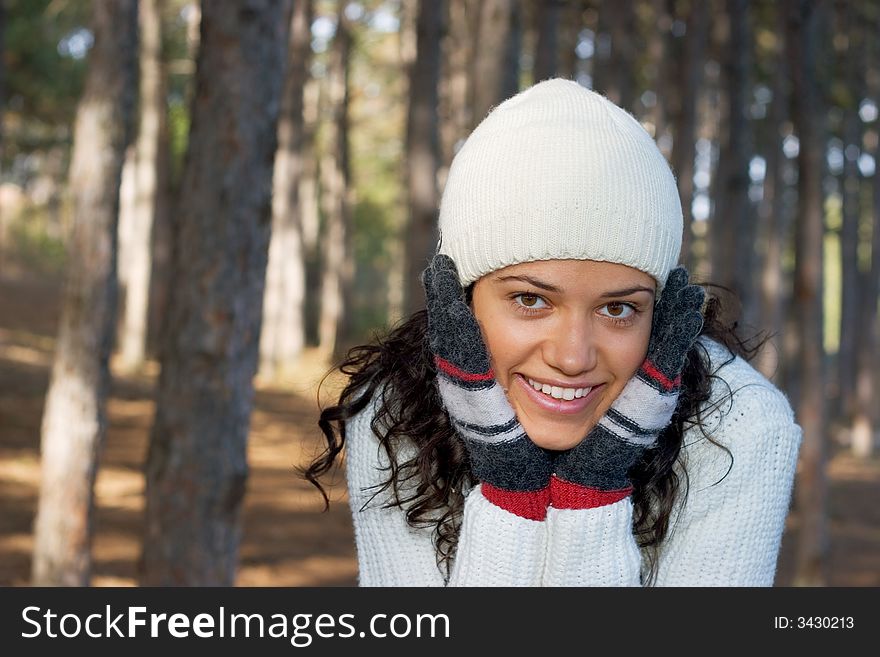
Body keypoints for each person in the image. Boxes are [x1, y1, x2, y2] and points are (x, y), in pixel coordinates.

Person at [306, 78, 802, 586]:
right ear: (459, 298)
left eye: (618, 309)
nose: (572, 357)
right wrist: (511, 493)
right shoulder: (395, 410)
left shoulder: (740, 426)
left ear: (663, 312)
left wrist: (593, 490)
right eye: (530, 300)